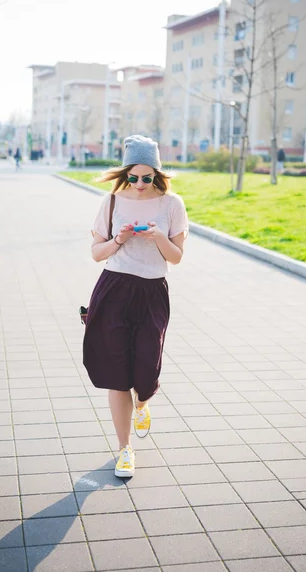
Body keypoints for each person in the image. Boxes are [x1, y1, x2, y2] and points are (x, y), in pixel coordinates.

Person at [83, 135, 188, 478]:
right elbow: (96, 253)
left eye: (147, 178)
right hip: (114, 288)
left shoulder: (172, 204)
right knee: (117, 374)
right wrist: (119, 239)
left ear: (156, 174)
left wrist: (158, 236)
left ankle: (142, 401)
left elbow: (176, 257)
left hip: (152, 291)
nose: (140, 185)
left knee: (146, 368)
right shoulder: (111, 202)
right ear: (125, 173)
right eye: (133, 177)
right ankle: (125, 450)